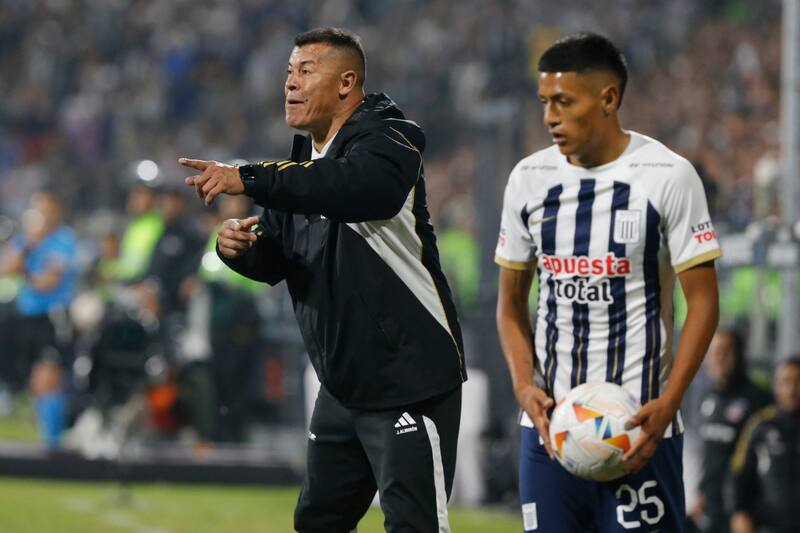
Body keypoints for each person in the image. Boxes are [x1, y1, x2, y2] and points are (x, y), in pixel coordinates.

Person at [178, 27, 466, 532]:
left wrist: (248, 176)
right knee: (317, 524)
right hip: (341, 387)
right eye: (289, 72)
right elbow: (279, 260)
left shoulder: (392, 140)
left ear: (346, 81)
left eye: (305, 71)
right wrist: (239, 250)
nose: (289, 83)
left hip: (408, 380)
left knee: (414, 528)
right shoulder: (300, 170)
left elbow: (356, 189)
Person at [495, 33, 720, 532]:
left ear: (608, 99)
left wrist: (671, 402)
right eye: (544, 102)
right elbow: (510, 303)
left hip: (641, 430)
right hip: (550, 435)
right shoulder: (528, 180)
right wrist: (522, 384)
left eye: (563, 102)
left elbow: (704, 303)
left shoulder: (667, 177)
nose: (550, 116)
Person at [689, 328, 770, 532]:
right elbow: (709, 454)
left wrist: (744, 510)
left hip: (744, 514)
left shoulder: (759, 400)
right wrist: (700, 491)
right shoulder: (704, 398)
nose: (719, 357)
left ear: (740, 355)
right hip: (710, 508)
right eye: (714, 351)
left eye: (726, 351)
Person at [0, 190, 78, 391]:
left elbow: (48, 282)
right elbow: (5, 268)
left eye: (46, 208)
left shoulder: (64, 239)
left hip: (52, 316)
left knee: (48, 374)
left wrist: (23, 272)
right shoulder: (27, 240)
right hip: (26, 314)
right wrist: (28, 245)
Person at [728, 357, 800, 533]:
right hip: (768, 526)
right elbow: (738, 473)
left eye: (798, 382)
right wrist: (738, 512)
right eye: (786, 381)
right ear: (775, 385)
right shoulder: (760, 424)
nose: (792, 389)